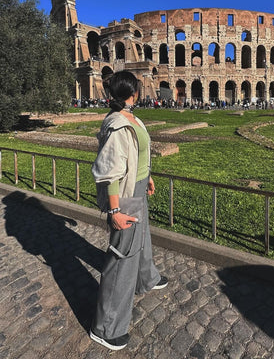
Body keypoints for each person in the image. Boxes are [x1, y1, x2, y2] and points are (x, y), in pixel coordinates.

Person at [89, 70, 168, 351]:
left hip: (136, 187)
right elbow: (109, 174)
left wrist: (146, 175)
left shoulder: (132, 118)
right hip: (122, 197)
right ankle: (106, 327)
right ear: (133, 92)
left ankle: (147, 278)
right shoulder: (117, 125)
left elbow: (138, 153)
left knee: (142, 237)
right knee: (122, 256)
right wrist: (114, 212)